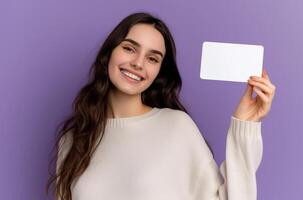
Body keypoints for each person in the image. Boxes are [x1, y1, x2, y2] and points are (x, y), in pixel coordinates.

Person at [46, 12, 276, 200]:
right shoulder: (73, 140)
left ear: (158, 72)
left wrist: (244, 126)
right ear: (109, 54)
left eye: (152, 58)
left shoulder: (176, 126)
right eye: (129, 48)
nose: (138, 63)